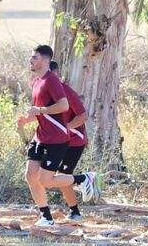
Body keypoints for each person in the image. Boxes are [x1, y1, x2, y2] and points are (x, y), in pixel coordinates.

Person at [16, 45, 99, 227]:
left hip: (58, 139)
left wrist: (41, 111)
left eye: (35, 57)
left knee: (47, 180)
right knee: (30, 176)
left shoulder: (53, 82)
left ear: (46, 61)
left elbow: (63, 106)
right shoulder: (37, 82)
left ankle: (84, 179)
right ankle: (46, 217)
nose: (31, 60)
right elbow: (41, 112)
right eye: (31, 57)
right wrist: (27, 119)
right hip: (41, 137)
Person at [47, 61, 93, 222]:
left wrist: (64, 129)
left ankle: (85, 181)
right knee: (47, 175)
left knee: (62, 175)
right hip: (55, 141)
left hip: (74, 140)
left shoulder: (67, 92)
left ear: (56, 75)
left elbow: (83, 116)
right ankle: (74, 211)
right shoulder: (42, 92)